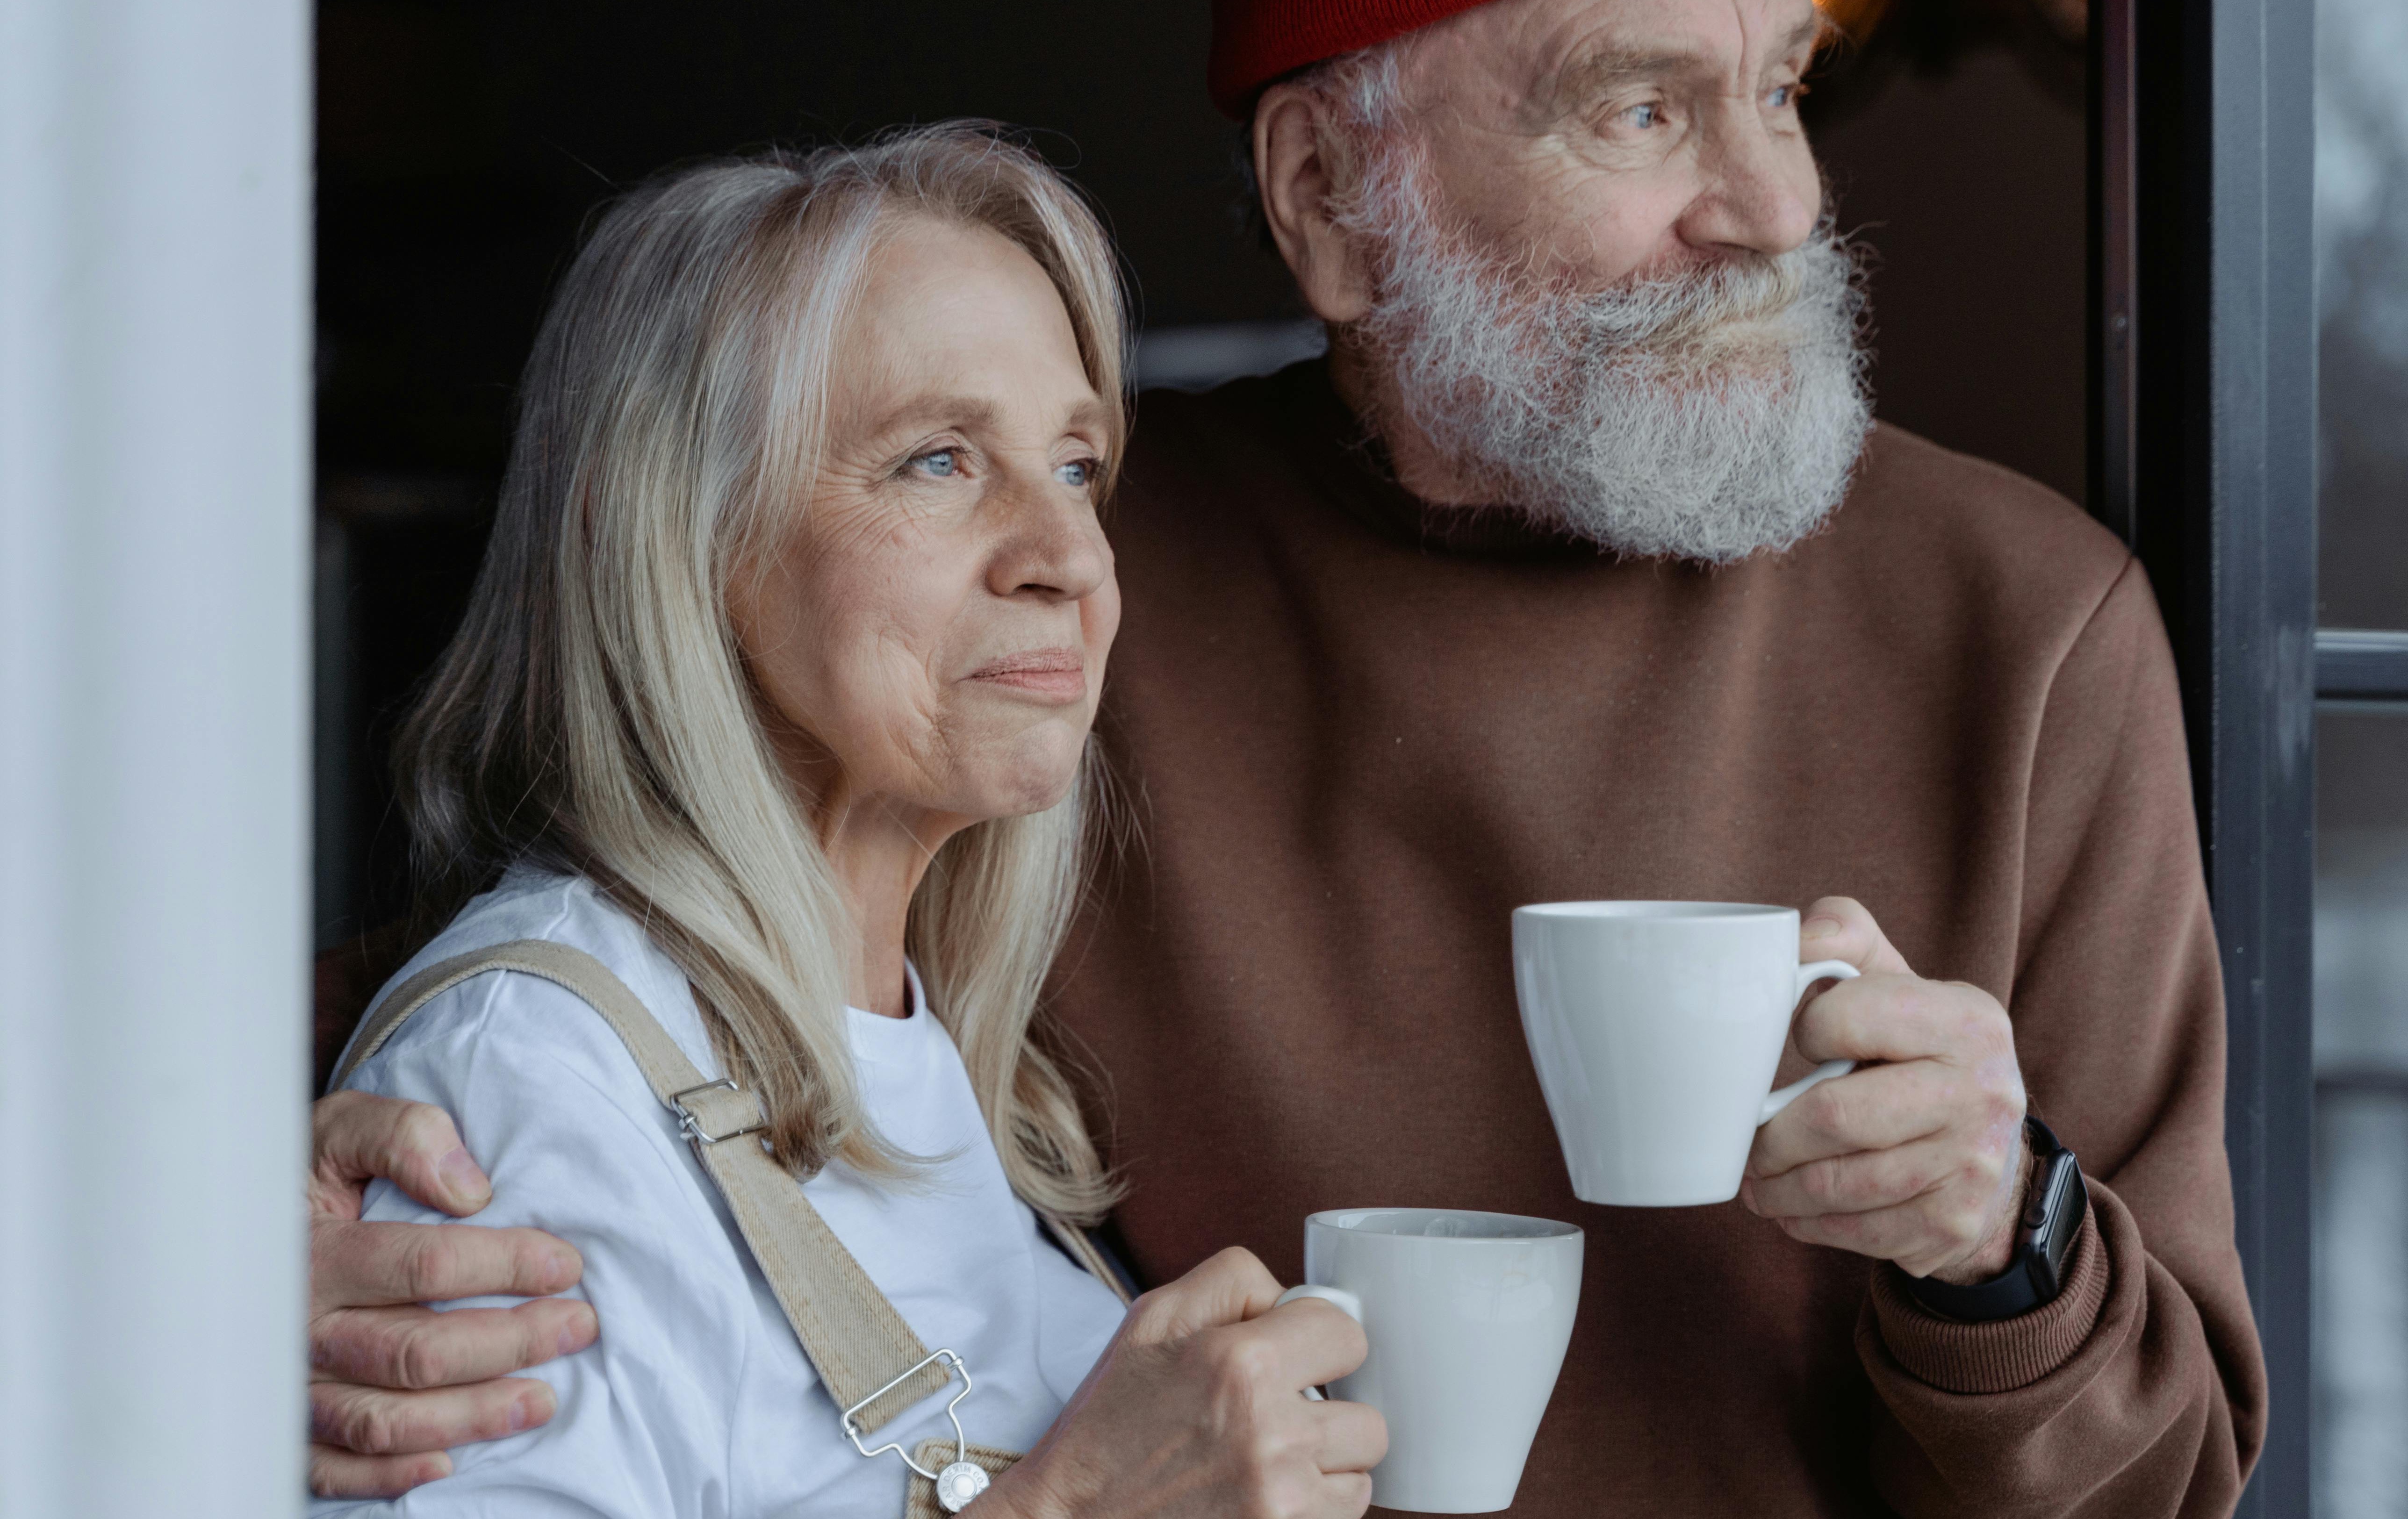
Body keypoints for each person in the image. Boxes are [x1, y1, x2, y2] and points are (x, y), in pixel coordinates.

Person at [308, 0, 2267, 1512]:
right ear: (1330, 196)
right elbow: (576, 982)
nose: (1772, 205)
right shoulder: (1050, 616)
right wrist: (242, 1232)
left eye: (1776, 90)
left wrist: (1998, 1246)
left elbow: (2167, 1481)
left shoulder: (2022, 628)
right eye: (1642, 106)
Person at [306, 124, 1385, 1515]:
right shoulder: (532, 1084)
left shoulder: (940, 1062)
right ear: (675, 537)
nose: (1069, 555)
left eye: (1073, 465)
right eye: (938, 460)